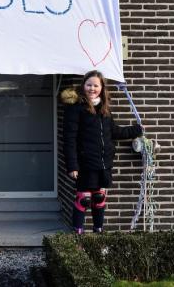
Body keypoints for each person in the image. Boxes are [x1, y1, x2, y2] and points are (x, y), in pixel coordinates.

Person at [62, 70, 142, 234]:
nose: (92, 88)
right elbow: (69, 138)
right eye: (89, 85)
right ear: (83, 86)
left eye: (96, 85)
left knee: (99, 198)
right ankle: (78, 233)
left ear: (102, 87)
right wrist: (72, 165)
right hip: (85, 163)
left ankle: (99, 231)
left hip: (104, 163)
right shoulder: (76, 108)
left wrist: (136, 130)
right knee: (83, 199)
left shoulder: (104, 109)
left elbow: (114, 132)